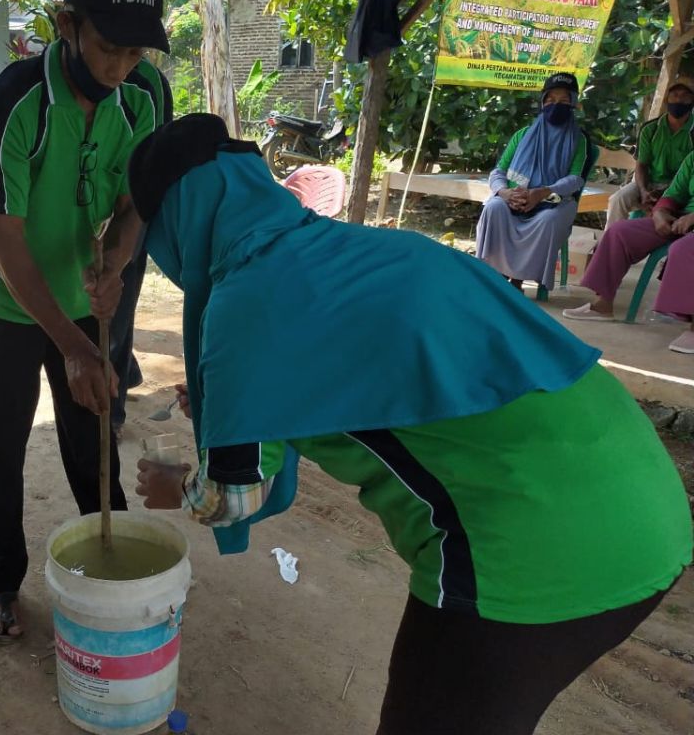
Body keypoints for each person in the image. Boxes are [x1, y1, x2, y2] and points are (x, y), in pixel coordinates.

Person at [129, 114, 691, 735]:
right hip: (647, 507)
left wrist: (178, 490)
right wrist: (235, 397)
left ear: (176, 225)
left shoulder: (243, 306)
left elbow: (234, 497)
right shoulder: (367, 249)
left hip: (535, 550)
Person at [0, 0, 170, 640]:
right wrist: (77, 346)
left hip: (87, 298)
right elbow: (6, 238)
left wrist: (115, 261)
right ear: (67, 24)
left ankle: (108, 568)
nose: (119, 69)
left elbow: (136, 202)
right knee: (2, 442)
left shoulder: (145, 97)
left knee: (94, 435)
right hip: (8, 299)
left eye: (135, 53)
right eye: (108, 47)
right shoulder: (14, 100)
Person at [564, 150, 694, 354]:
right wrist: (661, 213)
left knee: (683, 250)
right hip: (679, 218)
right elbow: (674, 194)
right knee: (619, 232)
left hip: (689, 222)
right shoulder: (692, 159)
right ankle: (602, 306)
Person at [476, 72, 591, 291]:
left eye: (564, 101)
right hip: (514, 197)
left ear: (574, 104)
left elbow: (575, 179)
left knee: (547, 220)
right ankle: (495, 274)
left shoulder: (578, 140)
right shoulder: (523, 135)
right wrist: (504, 193)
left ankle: (518, 280)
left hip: (553, 200)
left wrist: (542, 192)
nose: (555, 105)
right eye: (550, 99)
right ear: (542, 102)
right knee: (494, 208)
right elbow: (499, 171)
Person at [109, 60, 171, 435]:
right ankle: (124, 372)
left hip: (131, 208)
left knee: (118, 303)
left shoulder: (147, 82)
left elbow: (152, 161)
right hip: (87, 207)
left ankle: (110, 414)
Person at [606, 77, 694, 224]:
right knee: (617, 200)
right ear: (667, 99)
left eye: (685, 96)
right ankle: (609, 244)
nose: (678, 100)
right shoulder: (651, 129)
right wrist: (643, 191)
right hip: (649, 183)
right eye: (674, 95)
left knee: (658, 216)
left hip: (678, 189)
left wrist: (665, 194)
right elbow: (641, 164)